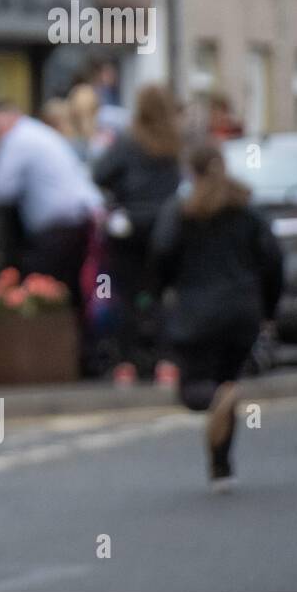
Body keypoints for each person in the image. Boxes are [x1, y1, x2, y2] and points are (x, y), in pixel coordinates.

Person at [150, 146, 282, 489]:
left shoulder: (180, 211)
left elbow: (161, 254)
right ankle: (221, 469)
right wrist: (267, 310)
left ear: (190, 171)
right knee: (226, 381)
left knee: (194, 390)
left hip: (196, 312)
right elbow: (272, 262)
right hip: (242, 312)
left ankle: (217, 404)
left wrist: (160, 294)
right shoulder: (248, 210)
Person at [91, 84, 182, 382]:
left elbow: (99, 173)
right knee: (161, 295)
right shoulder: (173, 142)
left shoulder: (128, 140)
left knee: (127, 296)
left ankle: (127, 364)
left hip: (129, 229)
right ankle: (166, 362)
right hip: (166, 227)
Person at [0, 99, 104, 310]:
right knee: (70, 289)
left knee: (41, 289)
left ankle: (45, 338)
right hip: (78, 218)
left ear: (7, 117)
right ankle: (72, 338)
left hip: (57, 225)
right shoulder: (37, 132)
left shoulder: (17, 139)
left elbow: (1, 189)